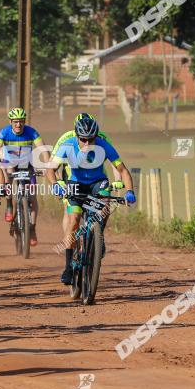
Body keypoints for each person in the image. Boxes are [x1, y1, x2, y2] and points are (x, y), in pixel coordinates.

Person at [45, 116, 136, 285]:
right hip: (76, 184)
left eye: (91, 139)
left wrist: (130, 191)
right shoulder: (68, 145)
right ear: (77, 136)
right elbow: (50, 170)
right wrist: (55, 184)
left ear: (96, 136)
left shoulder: (103, 144)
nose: (87, 144)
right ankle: (68, 267)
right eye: (83, 139)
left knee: (105, 203)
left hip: (96, 183)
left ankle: (98, 234)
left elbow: (122, 169)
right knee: (74, 221)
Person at [0, 107, 46, 246]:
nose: (18, 125)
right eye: (15, 121)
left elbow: (43, 148)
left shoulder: (31, 132)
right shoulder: (4, 132)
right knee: (8, 175)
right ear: (10, 121)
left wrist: (49, 165)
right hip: (9, 163)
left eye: (21, 121)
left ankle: (32, 229)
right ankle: (9, 205)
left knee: (33, 198)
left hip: (26, 165)